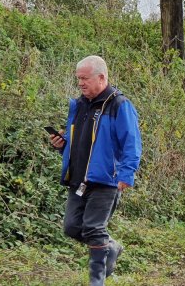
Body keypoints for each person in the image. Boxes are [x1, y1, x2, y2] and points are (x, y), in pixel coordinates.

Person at [48, 55, 142, 286]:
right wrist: (63, 145)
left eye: (85, 78)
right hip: (78, 179)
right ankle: (111, 246)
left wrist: (126, 174)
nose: (80, 83)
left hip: (106, 181)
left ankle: (96, 281)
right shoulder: (80, 105)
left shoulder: (119, 105)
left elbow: (132, 143)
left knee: (93, 228)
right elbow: (79, 141)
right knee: (71, 227)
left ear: (101, 77)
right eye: (78, 78)